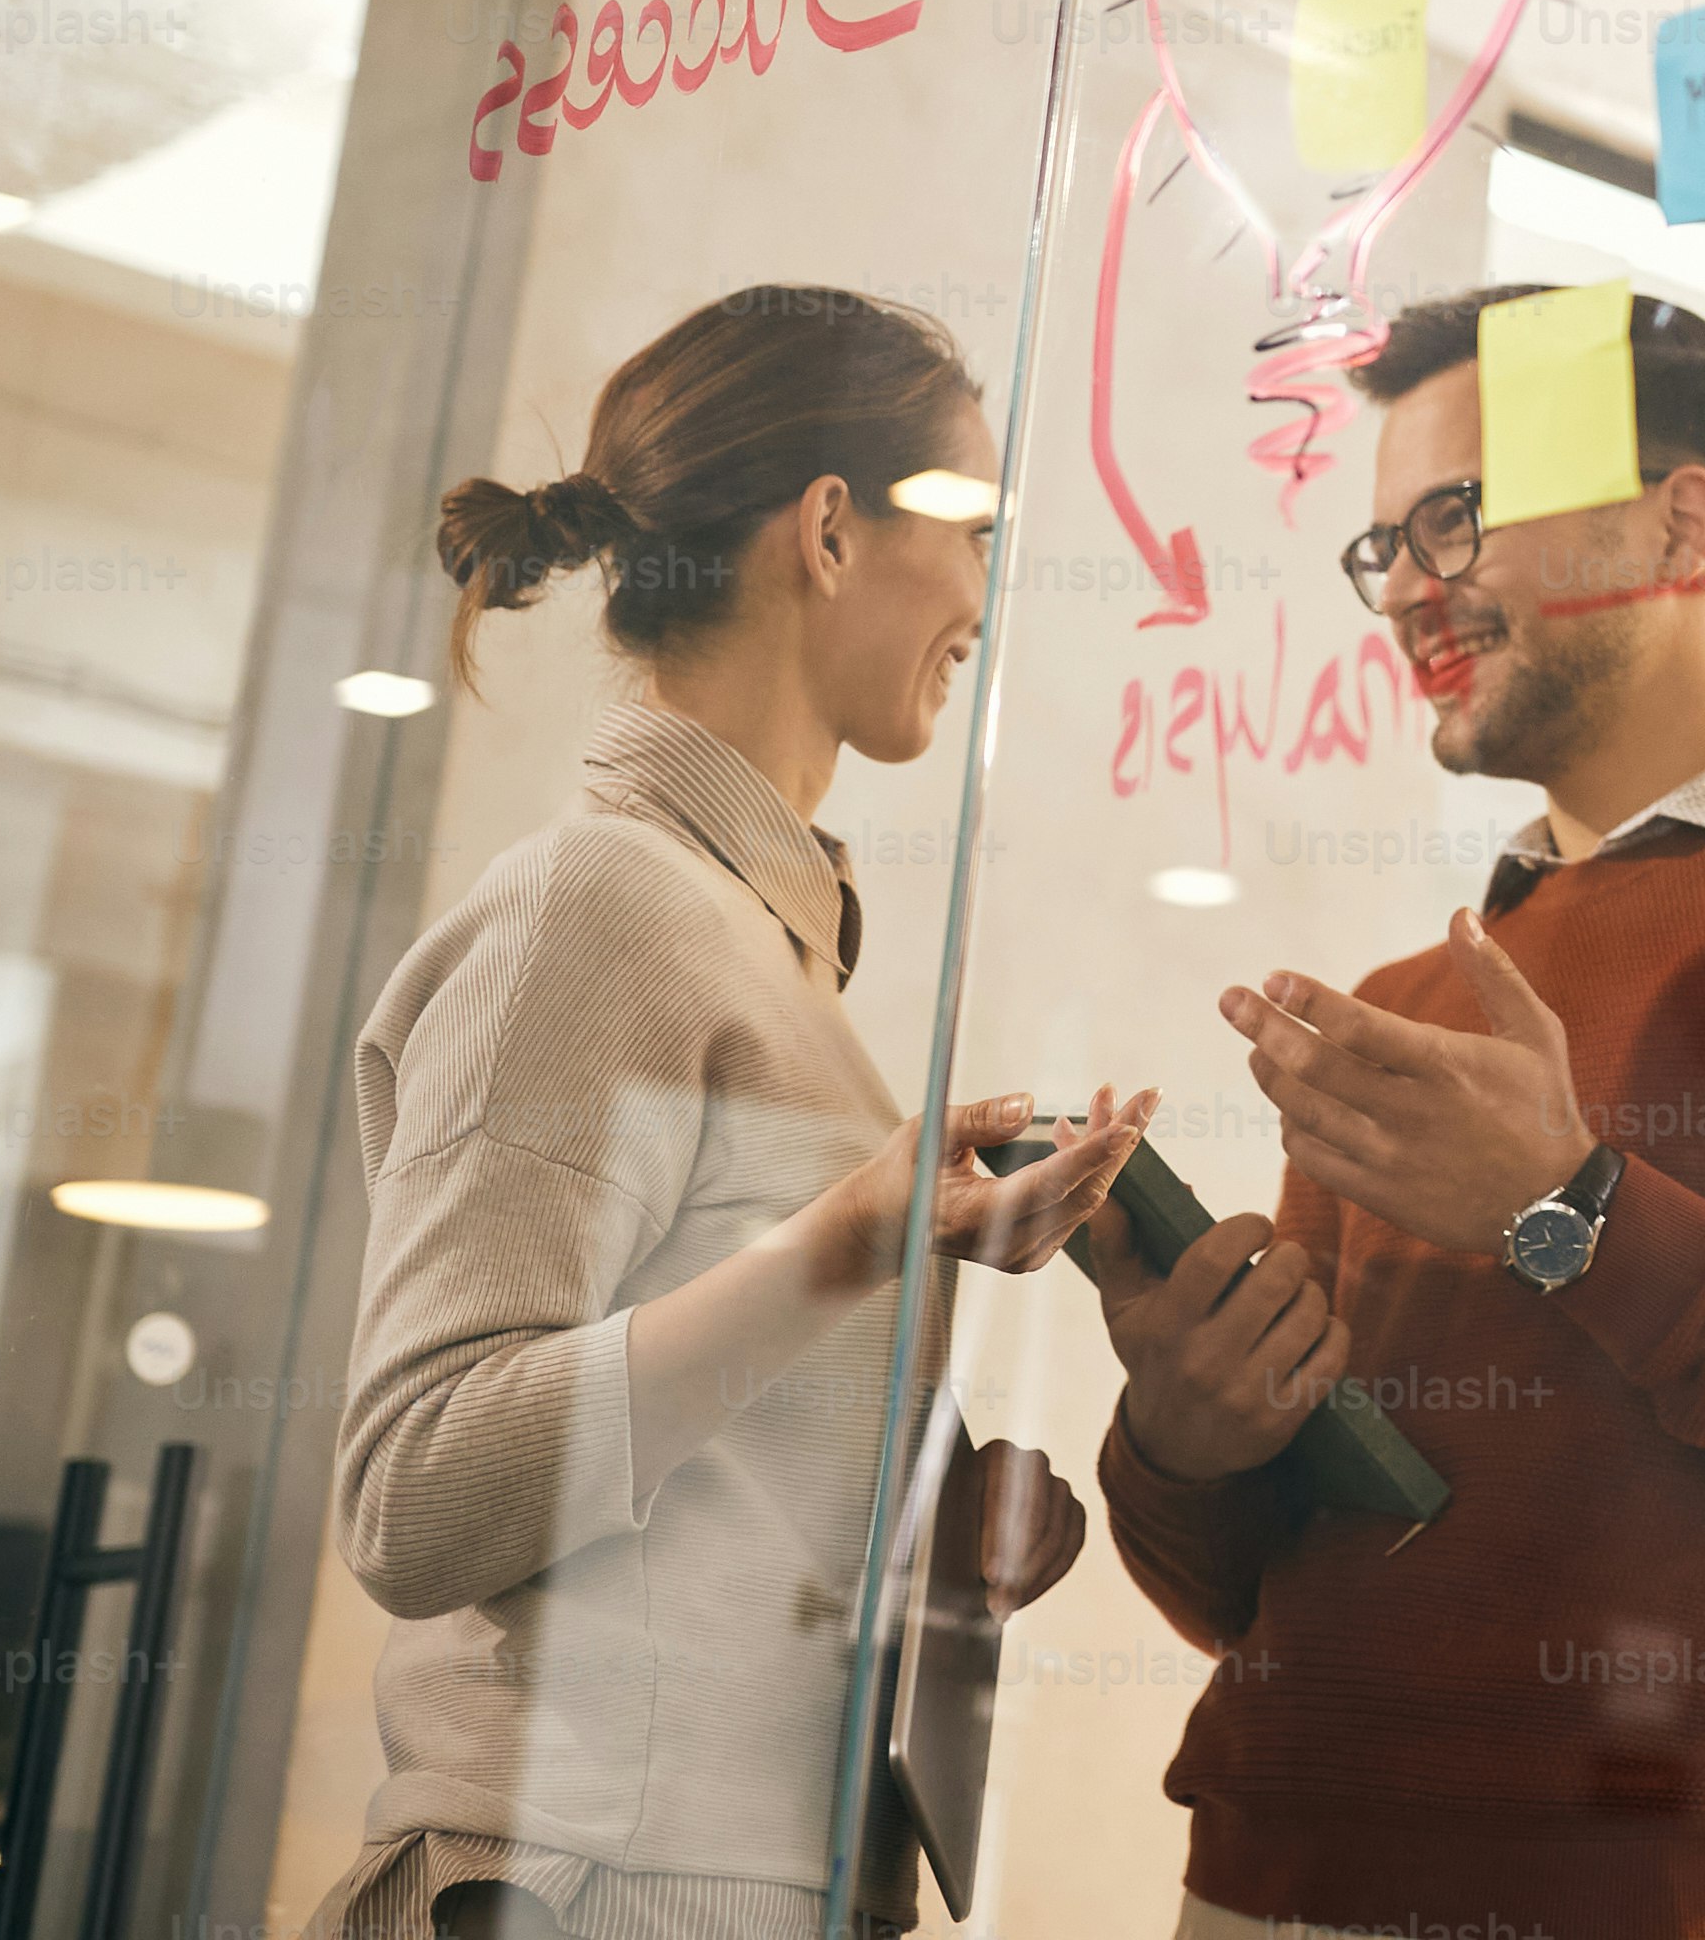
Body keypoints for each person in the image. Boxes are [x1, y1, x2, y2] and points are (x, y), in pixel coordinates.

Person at [1089, 283, 1705, 1940]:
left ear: (1684, 519)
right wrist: (1182, 1439)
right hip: (1245, 1891)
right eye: (1384, 546)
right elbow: (1261, 1599)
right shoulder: (1415, 1011)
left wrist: (1569, 1209)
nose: (1409, 589)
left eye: (1457, 517)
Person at [313, 286, 1140, 1940]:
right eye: (972, 525)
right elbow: (415, 1497)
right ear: (828, 531)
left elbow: (673, 1477)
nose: (985, 593)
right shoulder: (597, 907)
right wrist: (847, 1250)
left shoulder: (751, 942)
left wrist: (912, 1548)